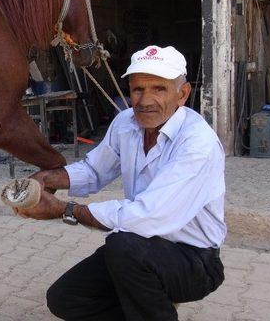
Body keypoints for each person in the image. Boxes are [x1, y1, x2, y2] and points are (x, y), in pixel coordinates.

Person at [17, 46, 226, 321]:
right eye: (138, 89)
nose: (145, 100)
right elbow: (94, 170)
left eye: (159, 89)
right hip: (140, 249)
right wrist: (47, 178)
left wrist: (64, 209)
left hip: (193, 261)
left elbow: (148, 216)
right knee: (66, 299)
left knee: (122, 245)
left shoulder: (198, 143)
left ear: (183, 94)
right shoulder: (126, 123)